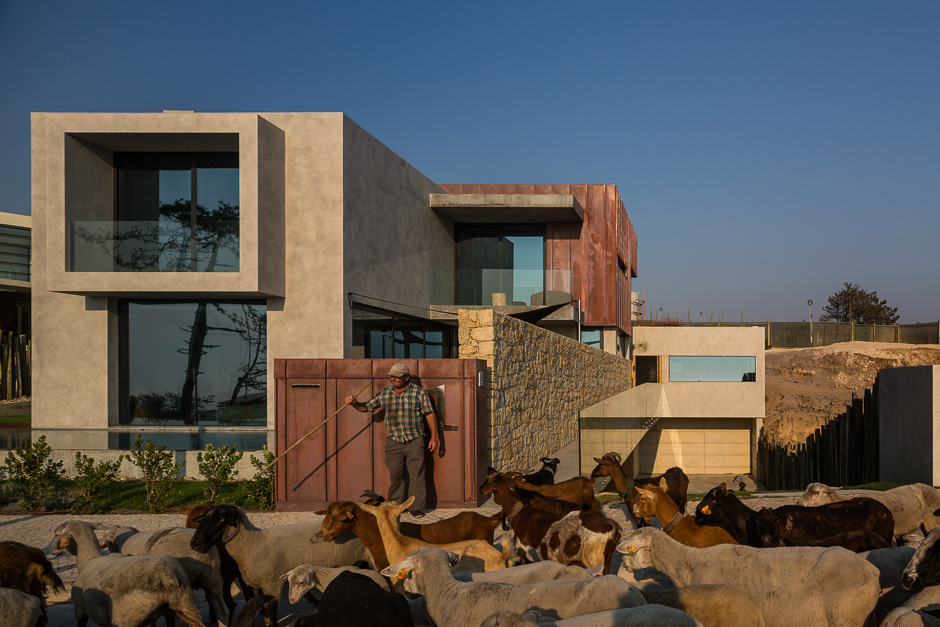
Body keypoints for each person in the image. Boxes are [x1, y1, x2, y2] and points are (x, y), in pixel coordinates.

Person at [345, 363, 440, 518]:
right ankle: (395, 507)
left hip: (414, 440)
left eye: (397, 377)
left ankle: (416, 507)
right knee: (396, 476)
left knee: (417, 475)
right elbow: (366, 407)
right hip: (393, 442)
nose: (393, 379)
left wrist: (434, 437)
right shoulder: (385, 393)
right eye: (391, 376)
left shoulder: (419, 393)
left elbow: (429, 414)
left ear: (407, 378)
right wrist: (355, 404)